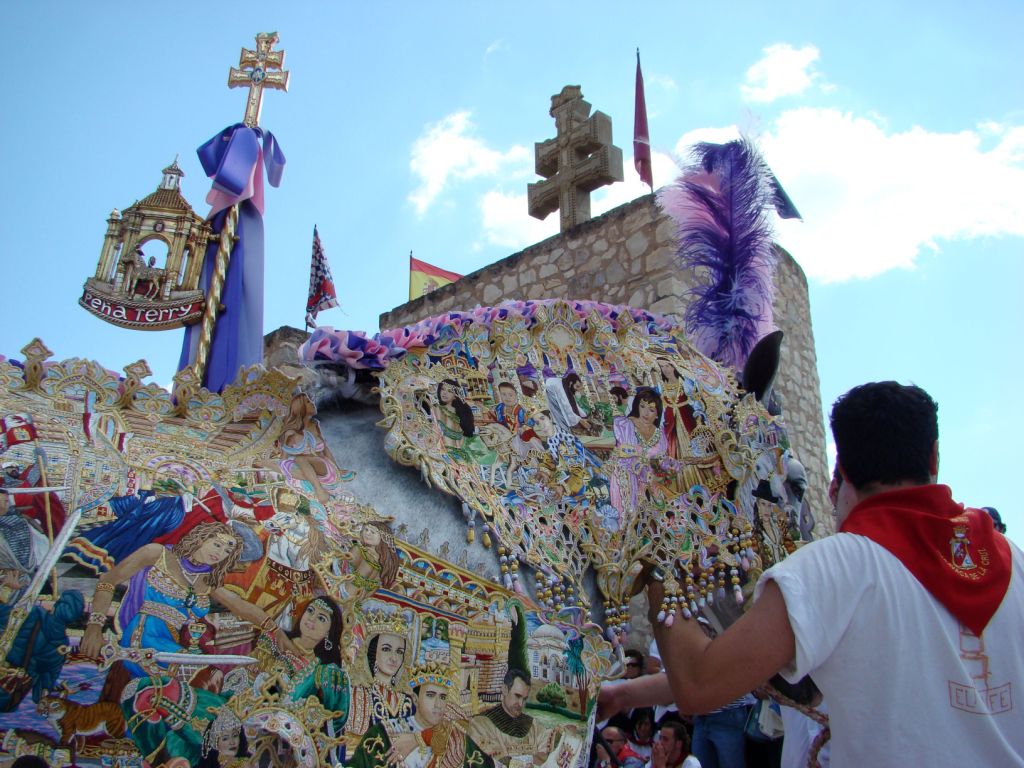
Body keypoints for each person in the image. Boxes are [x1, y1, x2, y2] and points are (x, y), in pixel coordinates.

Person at [598, 381, 1024, 765]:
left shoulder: (836, 568)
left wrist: (659, 534)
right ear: (934, 456)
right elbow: (769, 676)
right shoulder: (1015, 562)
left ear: (841, 470)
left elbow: (700, 683)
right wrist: (624, 694)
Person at [349, 664, 494, 768]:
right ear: (415, 699)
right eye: (431, 695)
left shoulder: (455, 738)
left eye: (443, 697)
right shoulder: (383, 733)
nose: (438, 704)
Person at [467, 668, 558, 764]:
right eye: (517, 696)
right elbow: (491, 762)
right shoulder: (480, 725)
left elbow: (547, 754)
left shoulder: (533, 725)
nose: (521, 703)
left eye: (524, 699)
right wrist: (530, 759)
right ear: (505, 690)